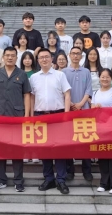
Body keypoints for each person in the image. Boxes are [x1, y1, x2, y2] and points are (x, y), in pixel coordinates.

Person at [0, 47, 32, 192]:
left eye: (12, 55)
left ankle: (19, 180)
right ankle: (0, 179)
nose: (10, 58)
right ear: (3, 57)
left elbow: (27, 95)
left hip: (17, 117)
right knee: (0, 149)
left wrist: (26, 115)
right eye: (7, 55)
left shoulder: (22, 74)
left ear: (16, 57)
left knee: (17, 149)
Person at [30, 48, 71, 195]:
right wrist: (31, 117)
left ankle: (61, 179)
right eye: (41, 57)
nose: (44, 59)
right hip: (40, 116)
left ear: (51, 58)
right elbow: (32, 97)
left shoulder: (60, 75)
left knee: (60, 149)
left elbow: (67, 94)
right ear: (38, 60)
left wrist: (66, 115)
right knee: (44, 149)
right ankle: (48, 178)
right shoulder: (34, 77)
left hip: (58, 115)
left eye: (47, 57)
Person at [90, 68, 112, 194]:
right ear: (99, 78)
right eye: (102, 77)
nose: (105, 79)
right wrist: (96, 108)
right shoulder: (95, 93)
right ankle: (104, 183)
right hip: (100, 128)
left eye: (107, 77)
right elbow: (92, 110)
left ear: (111, 78)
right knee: (103, 156)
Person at [63, 46, 93, 182]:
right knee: (69, 141)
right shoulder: (63, 72)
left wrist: (80, 104)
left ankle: (87, 170)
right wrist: (71, 104)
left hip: (84, 110)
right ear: (69, 55)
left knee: (86, 141)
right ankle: (70, 171)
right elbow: (62, 91)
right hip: (69, 110)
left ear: (81, 56)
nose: (75, 56)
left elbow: (88, 90)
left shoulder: (86, 71)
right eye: (73, 53)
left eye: (78, 54)